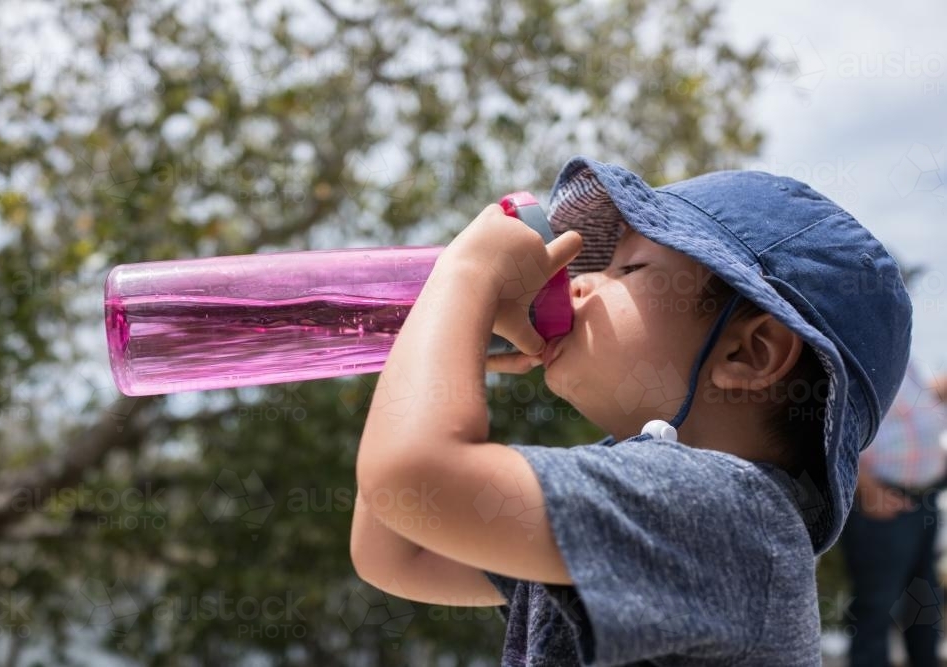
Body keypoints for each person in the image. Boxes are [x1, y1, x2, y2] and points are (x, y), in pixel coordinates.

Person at [349, 155, 913, 665]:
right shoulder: (647, 493)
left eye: (627, 270)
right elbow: (401, 551)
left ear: (749, 351)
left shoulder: (728, 516)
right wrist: (449, 335)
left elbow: (410, 483)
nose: (575, 286)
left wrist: (464, 277)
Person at [841, 354, 947, 667]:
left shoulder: (902, 355)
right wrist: (867, 488)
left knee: (924, 604)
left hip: (922, 500)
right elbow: (834, 428)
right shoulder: (854, 358)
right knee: (876, 608)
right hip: (882, 505)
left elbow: (917, 406)